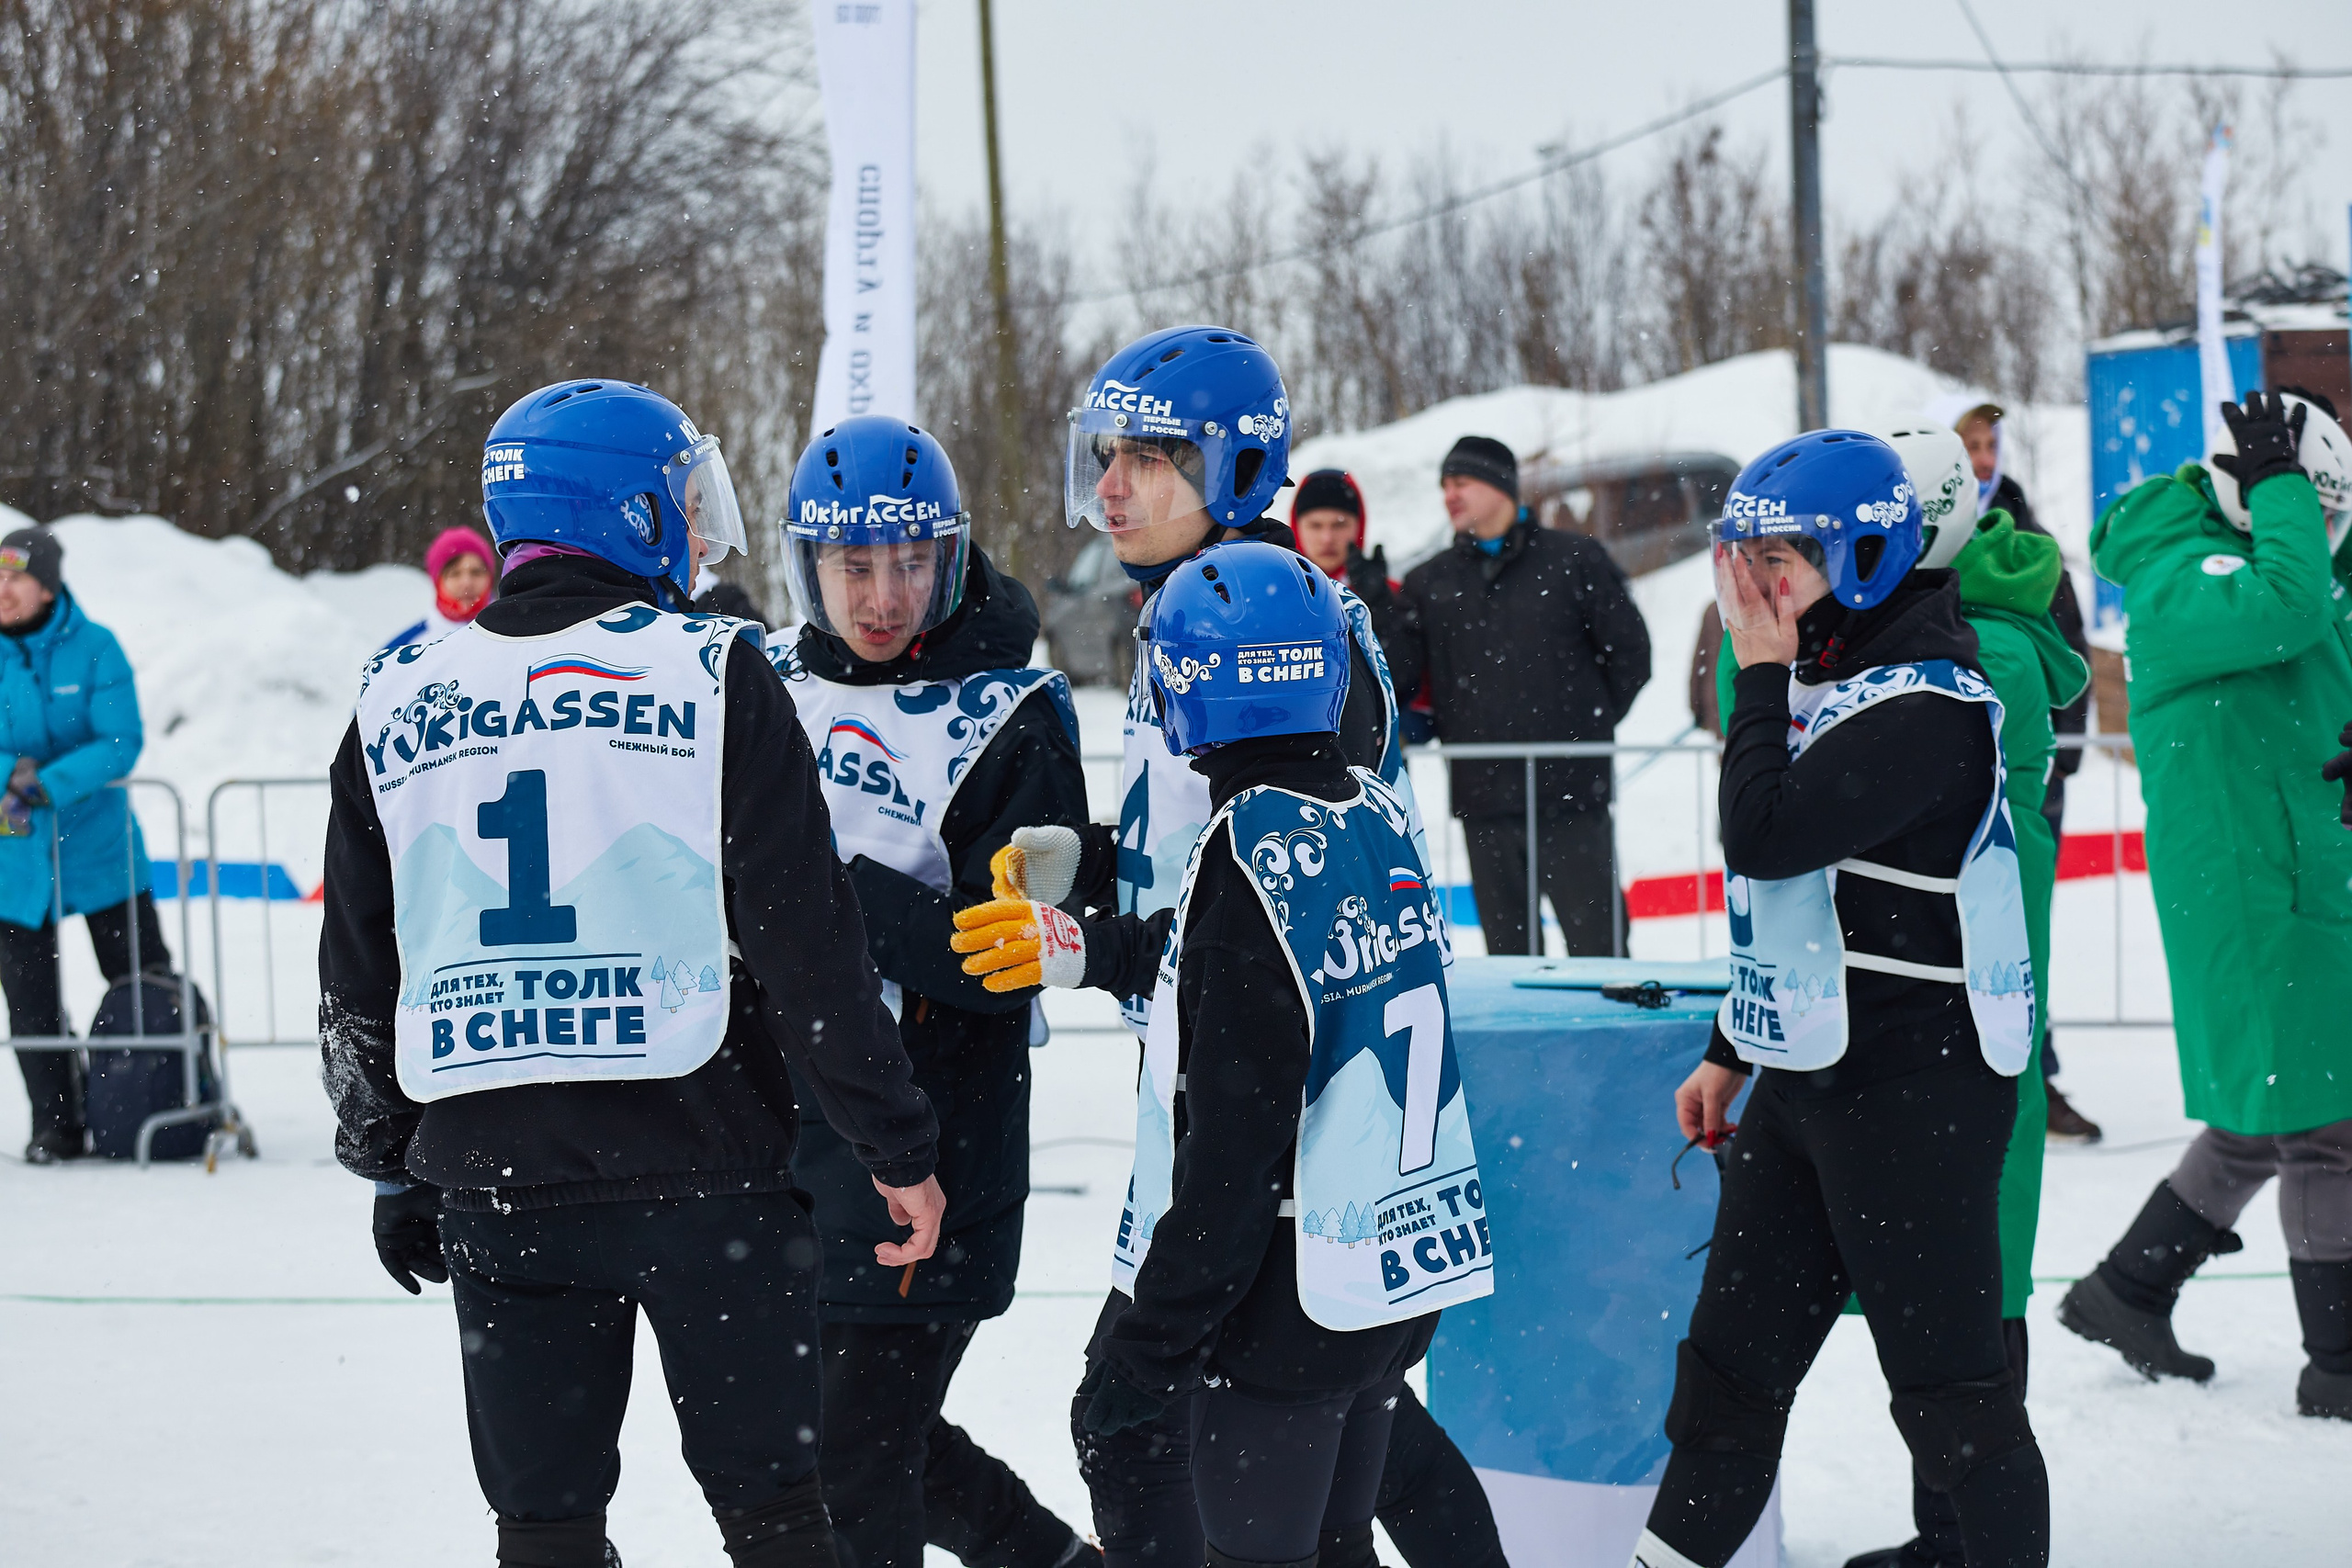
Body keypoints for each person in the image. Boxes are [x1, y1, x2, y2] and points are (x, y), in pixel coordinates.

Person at [318, 378, 946, 1568]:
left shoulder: (396, 693)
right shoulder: (712, 671)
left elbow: (362, 965)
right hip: (706, 1169)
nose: (698, 531)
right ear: (632, 510)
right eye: (683, 500)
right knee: (775, 1516)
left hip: (499, 1183)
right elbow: (808, 941)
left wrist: (391, 1159)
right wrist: (895, 1143)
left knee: (545, 1528)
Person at [952, 325, 1509, 1568]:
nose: (1108, 485)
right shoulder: (1197, 614)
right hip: (1230, 1092)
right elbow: (1205, 854)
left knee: (1177, 1416)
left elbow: (1295, 911)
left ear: (1237, 469)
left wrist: (1089, 946)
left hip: (1278, 1114)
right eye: (1104, 454)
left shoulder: (1281, 624)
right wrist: (1087, 862)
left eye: (1148, 457)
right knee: (1347, 1438)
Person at [1631, 429, 2049, 1568]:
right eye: (1746, 557)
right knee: (1725, 1380)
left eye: (1785, 558)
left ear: (1862, 558)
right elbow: (1814, 904)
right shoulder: (1838, 676)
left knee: (1951, 1403)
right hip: (1808, 1078)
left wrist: (1759, 672)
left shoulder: (1932, 703)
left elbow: (1766, 836)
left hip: (1918, 1093)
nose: (1756, 588)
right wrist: (1730, 1044)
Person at [766, 415, 1098, 1568]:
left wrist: (812, 887)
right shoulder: (763, 679)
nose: (883, 593)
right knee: (849, 1445)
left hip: (934, 1150)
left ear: (951, 556)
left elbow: (1003, 962)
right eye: (853, 564)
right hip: (784, 1147)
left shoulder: (1011, 716)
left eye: (910, 561)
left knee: (847, 1470)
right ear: (807, 563)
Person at [2060, 389, 2352, 1423]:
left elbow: (2325, 623)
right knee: (2324, 1125)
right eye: (2300, 511)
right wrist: (2283, 489)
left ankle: (2126, 1291)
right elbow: (2287, 608)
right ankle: (2339, 1366)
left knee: (2257, 1118)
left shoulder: (2285, 552)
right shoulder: (2180, 574)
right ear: (2245, 493)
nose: (2319, 537)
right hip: (2248, 886)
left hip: (2299, 867)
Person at [1840, 424, 2086, 1568]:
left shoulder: (1975, 656)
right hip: (1954, 1014)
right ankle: (1948, 1529)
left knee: (1972, 1286)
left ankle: (1968, 1537)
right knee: (1955, 1282)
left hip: (1964, 1019)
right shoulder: (1963, 638)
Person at [1401, 434, 1651, 957]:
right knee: (1512, 965)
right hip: (1484, 801)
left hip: (1572, 795)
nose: (1449, 494)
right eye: (1444, 485)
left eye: (1461, 482)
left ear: (1501, 486)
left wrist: (1584, 726)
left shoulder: (1575, 559)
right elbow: (1407, 680)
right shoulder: (1430, 581)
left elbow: (1631, 655)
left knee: (1600, 955)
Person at [1937, 398, 2102, 1142]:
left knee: (2022, 933)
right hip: (1947, 780)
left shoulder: (2027, 539)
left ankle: (2035, 1071)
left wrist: (2059, 758)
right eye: (1967, 441)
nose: (1981, 454)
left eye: (1988, 441)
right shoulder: (1922, 545)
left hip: (2028, 780)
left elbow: (2069, 649)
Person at [1, 525, 173, 1164]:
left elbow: (120, 739)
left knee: (144, 982)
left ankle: (163, 1100)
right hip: (15, 857)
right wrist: (7, 777)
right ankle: (58, 1124)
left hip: (99, 849)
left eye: (15, 577)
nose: (3, 589)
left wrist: (44, 782)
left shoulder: (96, 646)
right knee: (30, 1001)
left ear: (46, 584)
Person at [1290, 468, 1423, 705]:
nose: (1327, 538)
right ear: (1296, 526)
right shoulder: (1278, 593)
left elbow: (1403, 681)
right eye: (1315, 525)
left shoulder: (1392, 592)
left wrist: (1378, 606)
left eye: (1339, 525)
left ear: (1358, 526)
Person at [383, 525, 498, 649]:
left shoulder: (515, 637)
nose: (466, 583)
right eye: (454, 574)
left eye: (476, 572)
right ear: (437, 581)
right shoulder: (402, 650)